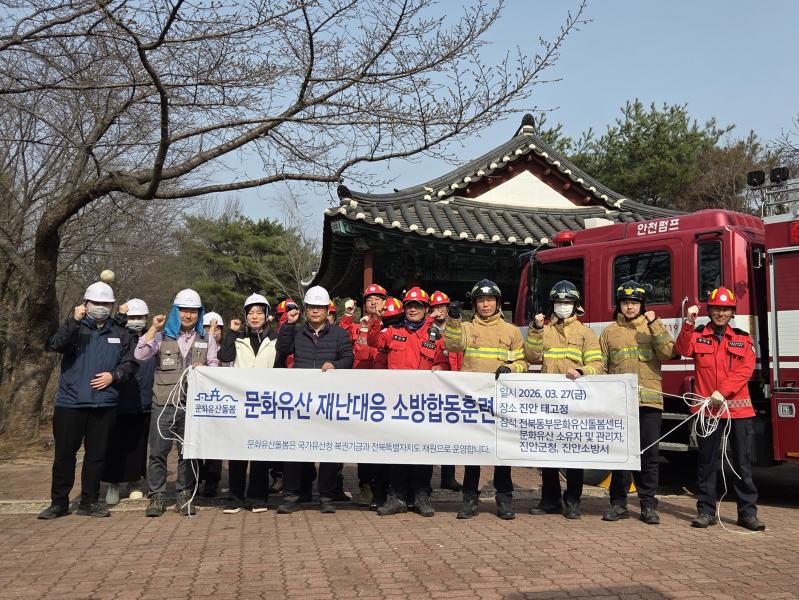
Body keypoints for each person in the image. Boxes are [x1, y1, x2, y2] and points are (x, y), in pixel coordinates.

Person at [38, 282, 138, 519]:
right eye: (96, 303)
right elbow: (56, 345)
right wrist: (73, 321)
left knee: (96, 455)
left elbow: (131, 363)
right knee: (64, 455)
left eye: (106, 304)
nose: (101, 308)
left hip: (104, 404)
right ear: (86, 304)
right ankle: (59, 503)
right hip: (70, 403)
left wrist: (114, 376)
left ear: (112, 306)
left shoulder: (119, 332)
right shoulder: (75, 327)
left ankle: (90, 501)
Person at [674, 287, 765, 531]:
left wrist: (721, 392)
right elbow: (682, 350)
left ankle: (747, 513)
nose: (720, 313)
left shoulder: (742, 338)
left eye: (725, 309)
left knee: (741, 465)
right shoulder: (697, 335)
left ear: (732, 311)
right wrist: (688, 323)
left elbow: (745, 370)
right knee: (706, 463)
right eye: (716, 308)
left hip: (739, 412)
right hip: (709, 414)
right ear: (709, 310)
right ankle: (706, 511)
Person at [443, 280, 527, 520]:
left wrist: (511, 368)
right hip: (474, 402)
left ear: (498, 303)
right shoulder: (467, 328)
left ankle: (504, 500)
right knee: (474, 454)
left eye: (490, 300)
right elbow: (453, 344)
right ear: (475, 304)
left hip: (501, 401)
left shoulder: (511, 331)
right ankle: (470, 500)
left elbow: (522, 361)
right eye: (481, 300)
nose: (486, 304)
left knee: (502, 453)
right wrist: (454, 319)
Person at [525, 280, 604, 519]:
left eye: (567, 302)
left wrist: (582, 371)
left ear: (575, 305)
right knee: (548, 452)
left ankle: (573, 501)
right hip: (549, 404)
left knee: (573, 453)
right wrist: (536, 330)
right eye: (559, 302)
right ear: (552, 305)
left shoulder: (585, 333)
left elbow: (597, 365)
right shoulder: (543, 330)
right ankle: (549, 499)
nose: (563, 306)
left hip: (575, 403)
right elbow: (531, 356)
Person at [366, 287, 449, 517]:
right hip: (396, 404)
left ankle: (421, 496)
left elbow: (445, 364)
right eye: (410, 305)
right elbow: (373, 341)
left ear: (425, 310)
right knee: (397, 450)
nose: (413, 309)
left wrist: (439, 367)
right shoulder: (391, 331)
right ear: (405, 308)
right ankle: (398, 497)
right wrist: (376, 318)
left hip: (423, 404)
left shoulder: (435, 336)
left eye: (418, 306)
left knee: (422, 451)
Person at [136, 289, 219, 517]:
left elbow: (215, 365)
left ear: (199, 313)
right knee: (158, 453)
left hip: (191, 405)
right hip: (163, 403)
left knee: (188, 453)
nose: (188, 315)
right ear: (176, 311)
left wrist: (206, 369)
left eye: (193, 311)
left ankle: (184, 495)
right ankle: (157, 496)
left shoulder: (206, 338)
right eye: (184, 310)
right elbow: (140, 354)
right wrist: (154, 328)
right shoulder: (162, 337)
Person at [598, 282, 674, 525]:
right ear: (619, 304)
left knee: (649, 456)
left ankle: (648, 506)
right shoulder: (609, 332)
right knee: (621, 456)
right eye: (625, 302)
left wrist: (654, 324)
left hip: (649, 403)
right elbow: (601, 365)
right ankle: (618, 504)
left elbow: (667, 352)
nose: (629, 307)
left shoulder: (652, 327)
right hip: (620, 404)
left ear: (642, 305)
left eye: (634, 302)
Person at [276, 286, 354, 514]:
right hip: (300, 401)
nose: (316, 311)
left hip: (328, 402)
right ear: (306, 309)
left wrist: (335, 365)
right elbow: (282, 350)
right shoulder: (296, 332)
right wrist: (288, 325)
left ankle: (327, 496)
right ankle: (292, 495)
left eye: (320, 307)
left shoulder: (340, 334)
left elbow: (348, 358)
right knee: (295, 449)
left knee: (328, 450)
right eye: (312, 307)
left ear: (327, 308)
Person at [217, 294, 278, 514]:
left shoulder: (275, 340)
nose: (255, 317)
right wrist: (231, 333)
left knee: (260, 451)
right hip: (241, 403)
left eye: (259, 312)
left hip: (266, 403)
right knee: (238, 451)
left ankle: (257, 498)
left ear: (267, 315)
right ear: (245, 316)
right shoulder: (239, 338)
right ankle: (235, 498)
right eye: (250, 313)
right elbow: (224, 356)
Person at [339, 283, 389, 507]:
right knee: (364, 439)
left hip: (385, 388)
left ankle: (384, 485)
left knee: (384, 438)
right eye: (369, 299)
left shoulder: (392, 325)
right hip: (361, 387)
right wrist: (348, 316)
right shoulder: (355, 326)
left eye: (378, 299)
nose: (373, 302)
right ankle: (365, 485)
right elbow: (340, 335)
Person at [102, 298, 155, 506]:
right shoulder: (117, 336)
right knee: (115, 444)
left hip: (144, 400)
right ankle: (113, 483)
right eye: (132, 317)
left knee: (138, 444)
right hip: (118, 399)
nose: (136, 321)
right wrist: (118, 318)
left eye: (140, 317)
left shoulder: (153, 339)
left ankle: (134, 482)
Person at [428, 290, 464, 493]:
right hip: (434, 382)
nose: (440, 311)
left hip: (455, 382)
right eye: (436, 307)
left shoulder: (457, 326)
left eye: (443, 307)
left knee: (452, 432)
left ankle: (448, 477)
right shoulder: (426, 329)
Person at [198, 311, 225, 498]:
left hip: (222, 403)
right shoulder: (198, 345)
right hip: (201, 400)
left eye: (216, 328)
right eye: (207, 328)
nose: (212, 331)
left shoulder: (229, 348)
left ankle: (212, 482)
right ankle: (196, 478)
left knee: (217, 445)